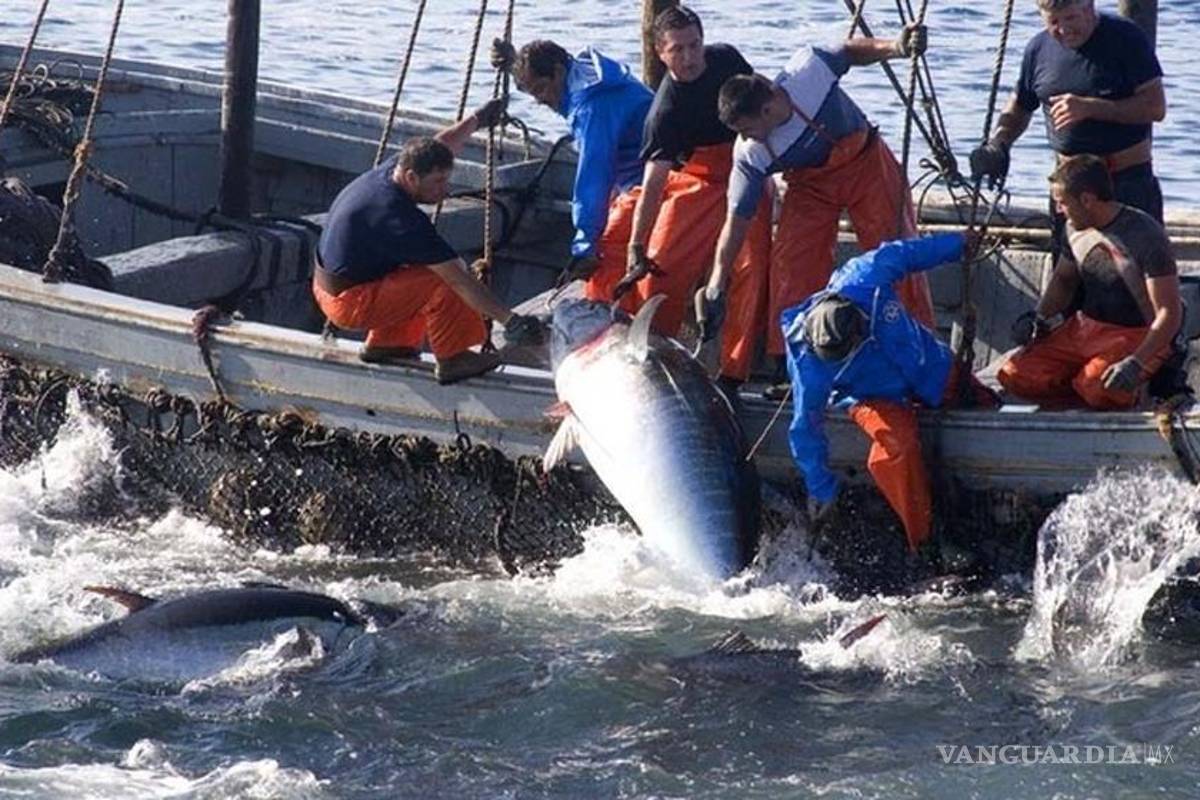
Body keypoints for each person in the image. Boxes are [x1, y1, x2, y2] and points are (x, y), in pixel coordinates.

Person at [698, 23, 937, 396]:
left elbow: (849, 52)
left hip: (866, 164)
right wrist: (716, 283)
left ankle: (919, 356)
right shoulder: (750, 155)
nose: (744, 138)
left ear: (767, 108)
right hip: (810, 186)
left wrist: (896, 46)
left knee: (895, 255)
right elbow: (736, 221)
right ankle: (793, 367)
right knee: (791, 266)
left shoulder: (808, 72)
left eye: (748, 129)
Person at [784, 231, 994, 553]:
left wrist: (956, 244)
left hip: (929, 367)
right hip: (874, 398)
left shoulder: (865, 276)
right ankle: (924, 542)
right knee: (896, 448)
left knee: (986, 404)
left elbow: (907, 253)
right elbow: (805, 427)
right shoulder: (807, 364)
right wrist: (821, 489)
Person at [314, 102, 545, 385]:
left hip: (333, 286)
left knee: (419, 270)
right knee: (445, 278)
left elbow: (442, 144)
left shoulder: (393, 171)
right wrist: (510, 321)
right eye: (438, 182)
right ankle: (454, 359)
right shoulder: (398, 217)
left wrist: (476, 120)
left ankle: (389, 344)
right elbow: (457, 279)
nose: (445, 189)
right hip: (349, 303)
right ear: (411, 177)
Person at [611, 5, 771, 391]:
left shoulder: (727, 59)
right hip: (696, 179)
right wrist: (636, 245)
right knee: (661, 264)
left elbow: (766, 101)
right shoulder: (664, 113)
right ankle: (653, 354)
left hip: (747, 166)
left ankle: (733, 373)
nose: (689, 58)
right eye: (677, 50)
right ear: (660, 53)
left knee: (752, 267)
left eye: (694, 45)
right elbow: (653, 185)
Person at [969, 0, 1166, 244]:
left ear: (1088, 8)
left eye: (1070, 18)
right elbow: (1020, 106)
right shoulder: (1038, 49)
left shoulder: (1126, 38)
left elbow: (1155, 107)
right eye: (1053, 22)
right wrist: (999, 144)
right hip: (1069, 189)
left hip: (1125, 182)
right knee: (1068, 264)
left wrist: (1092, 108)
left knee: (1136, 262)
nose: (1063, 29)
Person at [997, 155, 1180, 410]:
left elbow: (1169, 313)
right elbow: (1063, 280)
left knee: (1098, 386)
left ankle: (1136, 390)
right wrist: (1038, 317)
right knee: (1015, 374)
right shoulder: (1073, 228)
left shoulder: (1145, 235)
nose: (1058, 210)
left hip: (1135, 335)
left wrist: (1136, 362)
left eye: (1063, 203)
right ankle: (1081, 393)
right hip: (1085, 329)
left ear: (1087, 200)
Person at [492, 38, 653, 300]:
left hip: (653, 181)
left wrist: (585, 245)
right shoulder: (587, 75)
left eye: (541, 89)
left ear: (558, 72)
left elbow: (594, 178)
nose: (541, 99)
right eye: (533, 94)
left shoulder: (590, 107)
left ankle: (606, 309)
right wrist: (514, 64)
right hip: (634, 173)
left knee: (606, 248)